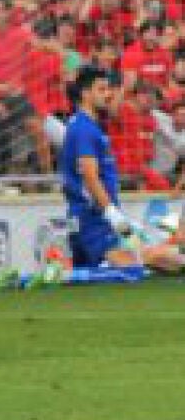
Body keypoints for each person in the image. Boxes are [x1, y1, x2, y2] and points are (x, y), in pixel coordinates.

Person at [60, 68, 138, 270]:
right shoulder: (85, 129)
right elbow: (90, 177)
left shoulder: (85, 125)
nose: (108, 94)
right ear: (86, 94)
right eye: (102, 89)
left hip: (87, 217)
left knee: (92, 274)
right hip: (94, 218)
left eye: (108, 89)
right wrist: (113, 214)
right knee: (140, 260)